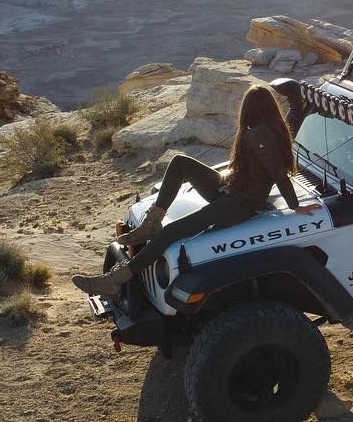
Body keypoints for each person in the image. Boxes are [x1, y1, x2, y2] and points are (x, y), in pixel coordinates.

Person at [72, 85, 318, 295]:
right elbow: (292, 120)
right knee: (180, 162)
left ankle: (114, 281)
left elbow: (279, 174)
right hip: (230, 187)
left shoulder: (260, 134)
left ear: (250, 109)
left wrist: (296, 207)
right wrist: (297, 100)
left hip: (239, 204)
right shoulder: (269, 128)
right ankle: (150, 225)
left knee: (171, 233)